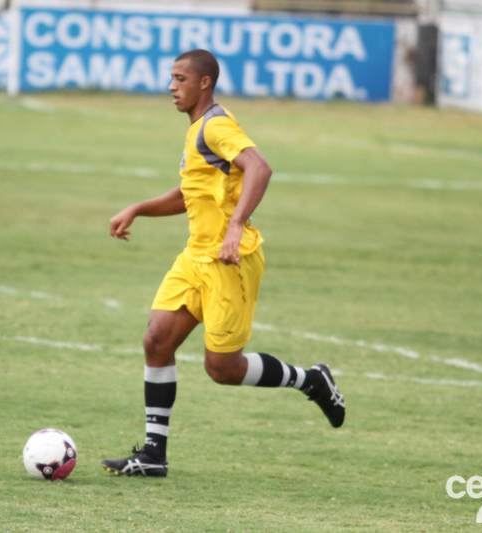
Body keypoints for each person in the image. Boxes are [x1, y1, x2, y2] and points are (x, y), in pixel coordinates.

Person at [102, 49, 345, 477]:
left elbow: (260, 168)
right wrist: (138, 208)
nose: (171, 86)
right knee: (156, 341)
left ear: (204, 83)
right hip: (195, 256)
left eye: (180, 79)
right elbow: (190, 194)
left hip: (229, 261)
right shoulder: (198, 128)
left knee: (223, 369)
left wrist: (235, 226)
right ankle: (154, 455)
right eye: (171, 78)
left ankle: (311, 380)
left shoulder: (216, 126)